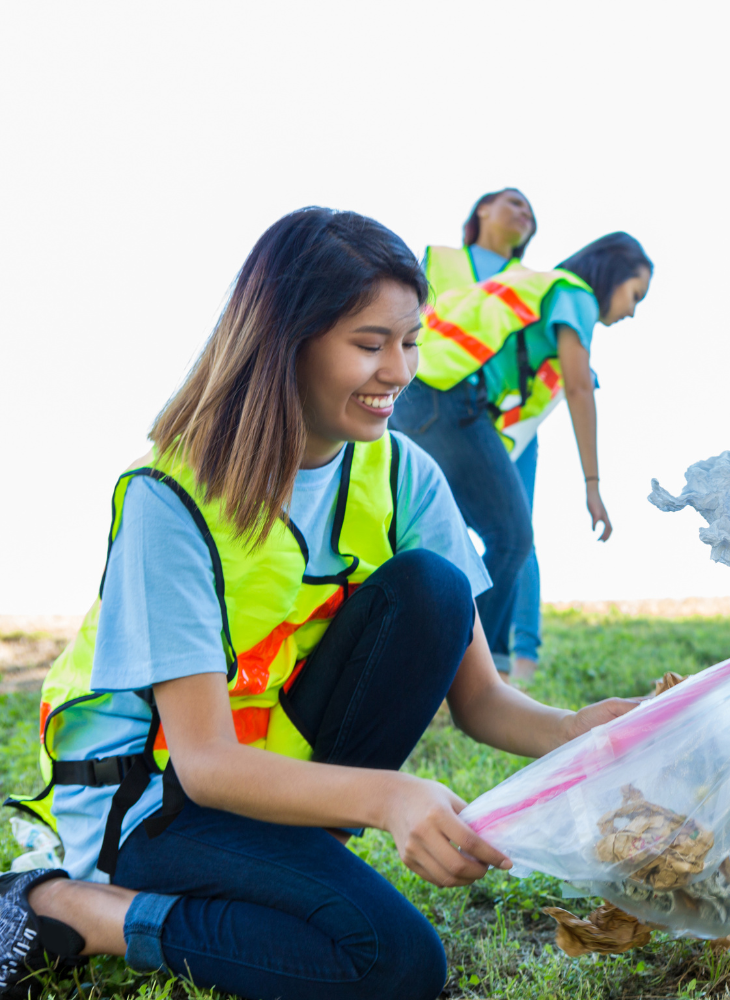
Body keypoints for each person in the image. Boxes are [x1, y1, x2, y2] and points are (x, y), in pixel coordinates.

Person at [0, 208, 636, 1000]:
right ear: (285, 344)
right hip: (151, 799)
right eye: (370, 345)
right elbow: (203, 764)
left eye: (410, 341)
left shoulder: (404, 474)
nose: (400, 371)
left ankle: (260, 867)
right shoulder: (168, 497)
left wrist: (579, 733)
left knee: (434, 589)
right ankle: (78, 908)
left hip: (271, 779)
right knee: (396, 964)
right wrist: (388, 798)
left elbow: (482, 701)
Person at [407, 232, 653, 683]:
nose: (633, 310)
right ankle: (453, 673)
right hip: (448, 397)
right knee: (513, 538)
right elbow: (578, 389)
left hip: (415, 392)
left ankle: (455, 664)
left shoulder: (545, 289)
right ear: (613, 273)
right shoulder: (574, 293)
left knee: (440, 536)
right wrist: (593, 486)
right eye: (635, 294)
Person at [390, 189, 540, 676]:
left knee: (505, 537)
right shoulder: (441, 259)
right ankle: (474, 663)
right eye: (514, 202)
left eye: (530, 211)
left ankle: (473, 661)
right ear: (482, 210)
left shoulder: (531, 283)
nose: (525, 212)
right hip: (426, 398)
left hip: (492, 419)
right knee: (498, 535)